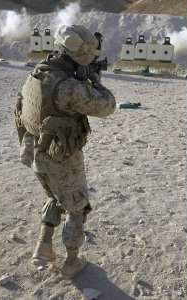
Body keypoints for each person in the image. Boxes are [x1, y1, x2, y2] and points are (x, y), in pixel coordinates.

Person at [15, 25, 116, 278]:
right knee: (77, 207)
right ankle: (71, 262)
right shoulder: (69, 86)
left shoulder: (38, 73)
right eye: (89, 54)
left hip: (36, 153)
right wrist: (94, 80)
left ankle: (43, 247)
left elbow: (22, 109)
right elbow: (107, 106)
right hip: (61, 157)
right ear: (80, 54)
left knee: (54, 197)